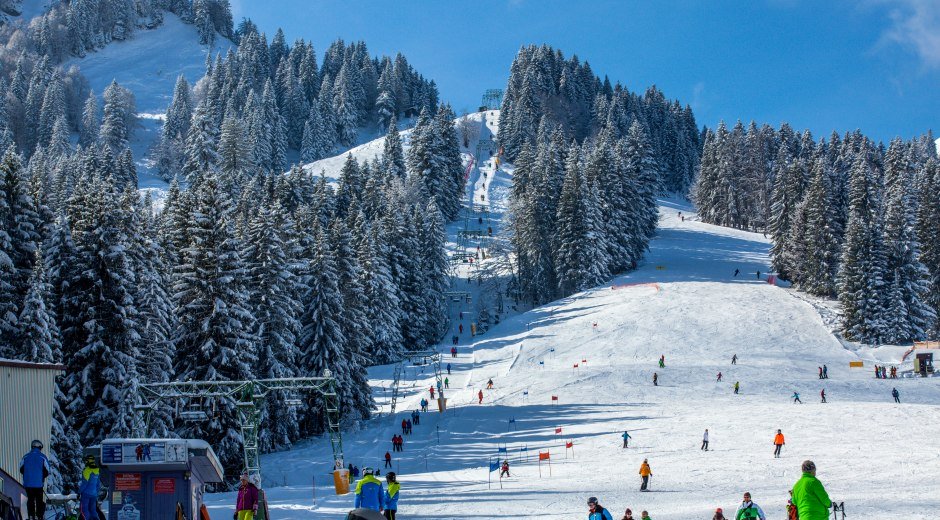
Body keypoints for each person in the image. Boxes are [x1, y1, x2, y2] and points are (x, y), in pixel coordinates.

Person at [20, 439, 50, 520]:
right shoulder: (43, 457)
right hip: (38, 484)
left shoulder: (25, 457)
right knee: (39, 500)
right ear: (40, 447)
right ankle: (39, 516)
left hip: (28, 483)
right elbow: (47, 470)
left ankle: (31, 516)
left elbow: (21, 469)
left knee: (30, 500)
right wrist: (41, 477)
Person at [79, 455, 101, 520]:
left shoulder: (86, 470)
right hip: (94, 494)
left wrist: (79, 492)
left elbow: (84, 484)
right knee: (93, 510)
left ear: (87, 461)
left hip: (86, 494)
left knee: (84, 510)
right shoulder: (97, 470)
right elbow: (98, 484)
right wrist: (95, 492)